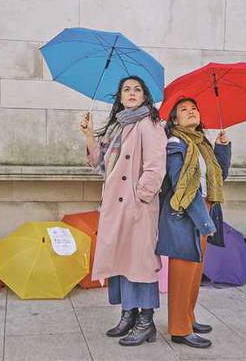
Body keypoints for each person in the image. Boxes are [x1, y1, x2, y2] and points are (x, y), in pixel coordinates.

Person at [80, 75, 167, 346]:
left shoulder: (149, 124)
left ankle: (146, 321)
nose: (131, 93)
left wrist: (140, 197)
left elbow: (155, 167)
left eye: (137, 89)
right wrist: (88, 135)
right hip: (115, 207)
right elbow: (100, 165)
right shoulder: (117, 126)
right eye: (126, 89)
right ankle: (128, 314)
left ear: (144, 96)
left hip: (136, 208)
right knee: (121, 262)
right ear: (119, 97)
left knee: (139, 264)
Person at [156, 97, 231, 348]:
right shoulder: (175, 143)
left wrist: (223, 147)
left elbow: (218, 175)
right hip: (185, 213)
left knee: (195, 272)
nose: (191, 112)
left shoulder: (202, 144)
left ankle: (189, 317)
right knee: (182, 274)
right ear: (175, 119)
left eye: (194, 108)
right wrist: (204, 221)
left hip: (204, 209)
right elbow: (181, 184)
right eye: (184, 110)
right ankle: (179, 328)